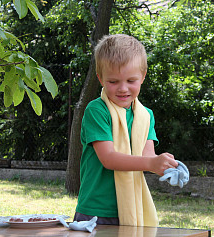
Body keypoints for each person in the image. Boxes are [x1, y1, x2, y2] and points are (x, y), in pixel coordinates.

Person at [74, 34, 178, 227]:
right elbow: (109, 159)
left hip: (132, 209)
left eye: (131, 80)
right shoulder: (97, 110)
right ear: (101, 78)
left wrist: (167, 166)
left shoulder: (145, 116)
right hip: (96, 210)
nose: (123, 88)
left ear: (143, 77)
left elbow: (147, 157)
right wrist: (151, 162)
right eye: (113, 81)